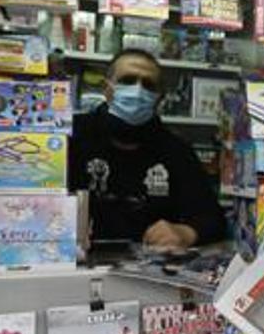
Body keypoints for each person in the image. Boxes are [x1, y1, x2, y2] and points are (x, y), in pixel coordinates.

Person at [69, 48, 225, 249]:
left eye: (148, 85)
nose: (138, 90)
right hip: (73, 265)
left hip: (148, 269)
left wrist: (186, 233)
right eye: (127, 80)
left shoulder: (176, 150)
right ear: (107, 89)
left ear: (159, 98)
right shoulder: (72, 136)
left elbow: (214, 219)